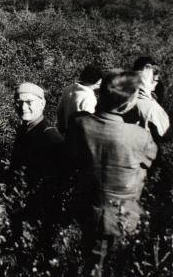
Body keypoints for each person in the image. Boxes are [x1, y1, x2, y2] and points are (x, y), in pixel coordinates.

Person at [68, 70, 157, 276]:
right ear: (128, 103)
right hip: (123, 215)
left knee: (92, 260)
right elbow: (150, 161)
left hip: (87, 209)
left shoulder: (80, 125)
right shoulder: (139, 136)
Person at [8, 83, 65, 247]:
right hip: (21, 207)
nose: (23, 107)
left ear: (42, 103)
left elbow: (54, 186)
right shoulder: (25, 130)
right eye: (19, 102)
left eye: (29, 102)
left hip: (37, 214)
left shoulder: (50, 138)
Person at [129, 57, 170, 141]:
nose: (156, 85)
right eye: (155, 80)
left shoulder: (123, 96)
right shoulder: (152, 108)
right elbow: (164, 136)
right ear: (149, 79)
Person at [57, 65, 103, 135]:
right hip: (79, 138)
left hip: (66, 135)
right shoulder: (88, 97)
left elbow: (60, 113)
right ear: (98, 81)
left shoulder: (67, 89)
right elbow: (90, 125)